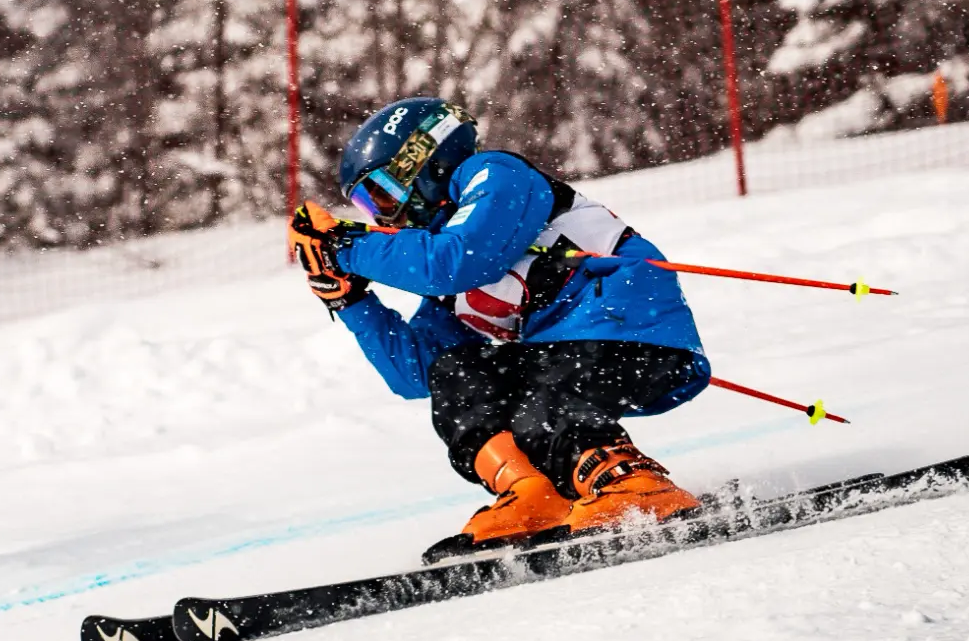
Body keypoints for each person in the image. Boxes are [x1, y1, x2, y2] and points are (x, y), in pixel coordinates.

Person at [288, 97, 710, 554]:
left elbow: (459, 259)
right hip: (566, 354)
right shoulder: (451, 279)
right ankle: (531, 493)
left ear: (421, 161)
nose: (384, 217)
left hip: (633, 334)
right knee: (456, 374)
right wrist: (349, 297)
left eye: (382, 196)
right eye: (370, 209)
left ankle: (635, 484)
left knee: (544, 387)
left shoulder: (494, 175)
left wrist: (345, 246)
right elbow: (414, 373)